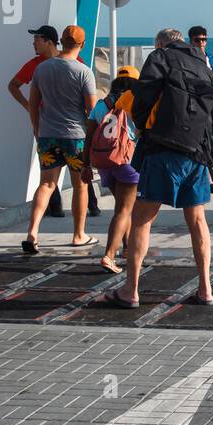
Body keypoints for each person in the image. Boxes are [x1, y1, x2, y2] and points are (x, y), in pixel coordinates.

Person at [110, 28, 213, 308]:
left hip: (163, 149)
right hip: (197, 153)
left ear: (160, 43)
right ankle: (206, 289)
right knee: (197, 221)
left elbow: (143, 95)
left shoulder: (160, 57)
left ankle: (130, 290)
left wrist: (144, 128)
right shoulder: (202, 64)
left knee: (142, 219)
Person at [23, 25, 97, 253]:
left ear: (61, 42)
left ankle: (32, 233)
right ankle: (78, 235)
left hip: (48, 135)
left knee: (46, 184)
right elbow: (92, 110)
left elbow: (33, 104)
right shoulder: (83, 71)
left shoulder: (42, 69)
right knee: (80, 185)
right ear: (81, 45)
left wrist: (37, 130)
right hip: (76, 137)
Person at [84, 66, 140, 274]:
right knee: (124, 210)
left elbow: (89, 136)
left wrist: (85, 165)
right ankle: (109, 255)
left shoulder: (101, 105)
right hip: (126, 161)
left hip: (104, 161)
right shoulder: (135, 102)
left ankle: (127, 247)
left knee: (122, 208)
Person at [8, 25, 66, 218]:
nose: (33, 43)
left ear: (49, 42)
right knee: (48, 166)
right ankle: (56, 207)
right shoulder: (34, 64)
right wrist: (29, 107)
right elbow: (13, 85)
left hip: (69, 126)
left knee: (77, 165)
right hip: (45, 125)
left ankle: (91, 205)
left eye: (37, 40)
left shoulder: (70, 60)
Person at [188, 26, 213, 194]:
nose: (201, 43)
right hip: (195, 102)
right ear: (191, 41)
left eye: (204, 39)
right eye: (198, 40)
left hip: (211, 99)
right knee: (201, 140)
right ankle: (208, 180)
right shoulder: (187, 59)